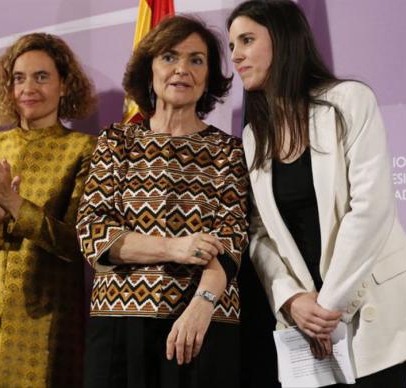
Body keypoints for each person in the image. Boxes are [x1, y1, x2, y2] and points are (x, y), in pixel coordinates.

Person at [227, 1, 406, 386]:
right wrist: (292, 300)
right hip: (305, 326)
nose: (236, 56)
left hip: (372, 313)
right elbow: (259, 234)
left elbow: (370, 210)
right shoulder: (253, 136)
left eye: (246, 40)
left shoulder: (348, 101)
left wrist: (327, 308)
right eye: (232, 46)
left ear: (282, 41)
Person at [77, 15, 248, 388]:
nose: (182, 70)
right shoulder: (116, 142)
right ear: (149, 68)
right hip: (119, 327)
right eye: (169, 57)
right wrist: (178, 247)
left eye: (196, 59)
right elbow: (95, 234)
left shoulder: (229, 152)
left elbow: (232, 240)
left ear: (209, 76)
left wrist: (202, 305)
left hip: (203, 324)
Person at [0, 32, 97, 388]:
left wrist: (15, 205)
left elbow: (76, 245)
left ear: (65, 86)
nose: (29, 87)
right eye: (19, 78)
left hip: (46, 323)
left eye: (42, 77)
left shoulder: (83, 149)